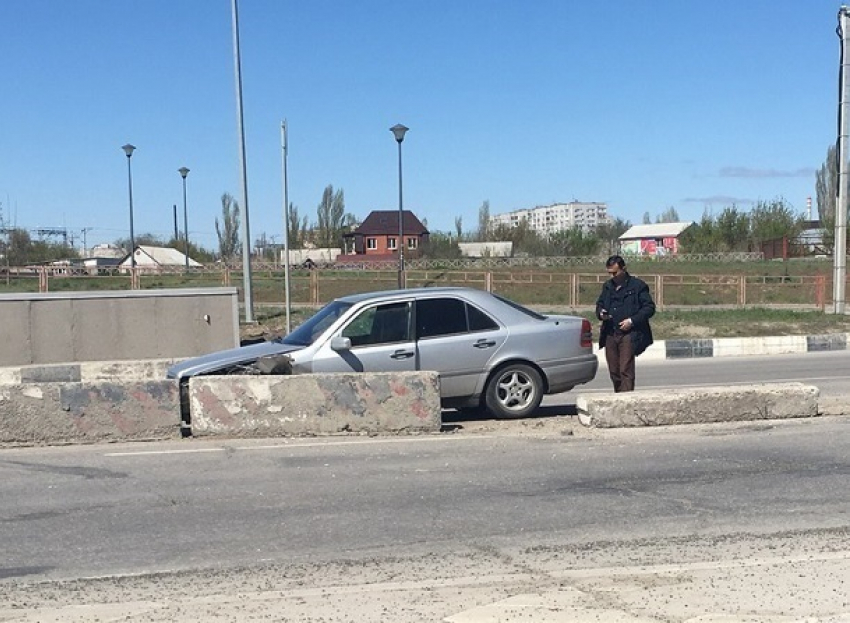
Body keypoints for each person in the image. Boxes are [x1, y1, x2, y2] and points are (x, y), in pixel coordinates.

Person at [595, 255, 655, 392]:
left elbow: (649, 308)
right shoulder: (608, 287)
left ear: (624, 269)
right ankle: (618, 395)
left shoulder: (638, 286)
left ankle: (627, 398)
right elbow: (600, 304)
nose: (612, 276)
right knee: (614, 370)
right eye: (610, 273)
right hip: (610, 332)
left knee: (625, 369)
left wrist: (632, 321)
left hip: (628, 333)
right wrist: (601, 313)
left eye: (615, 273)